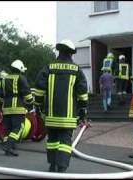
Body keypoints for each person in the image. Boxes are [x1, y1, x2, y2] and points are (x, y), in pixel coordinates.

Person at [34, 39, 88, 173]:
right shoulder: (77, 70)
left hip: (51, 114)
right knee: (65, 141)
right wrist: (83, 111)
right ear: (71, 53)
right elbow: (82, 94)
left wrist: (38, 106)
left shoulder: (49, 67)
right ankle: (62, 167)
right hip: (68, 116)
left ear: (59, 51)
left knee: (52, 139)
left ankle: (52, 165)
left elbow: (39, 89)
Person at [0, 60, 33, 156]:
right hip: (17, 107)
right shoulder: (21, 78)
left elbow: (1, 94)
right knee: (18, 128)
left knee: (8, 128)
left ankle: (8, 146)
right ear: (20, 69)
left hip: (6, 107)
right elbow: (26, 93)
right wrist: (31, 103)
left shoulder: (4, 79)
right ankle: (9, 146)